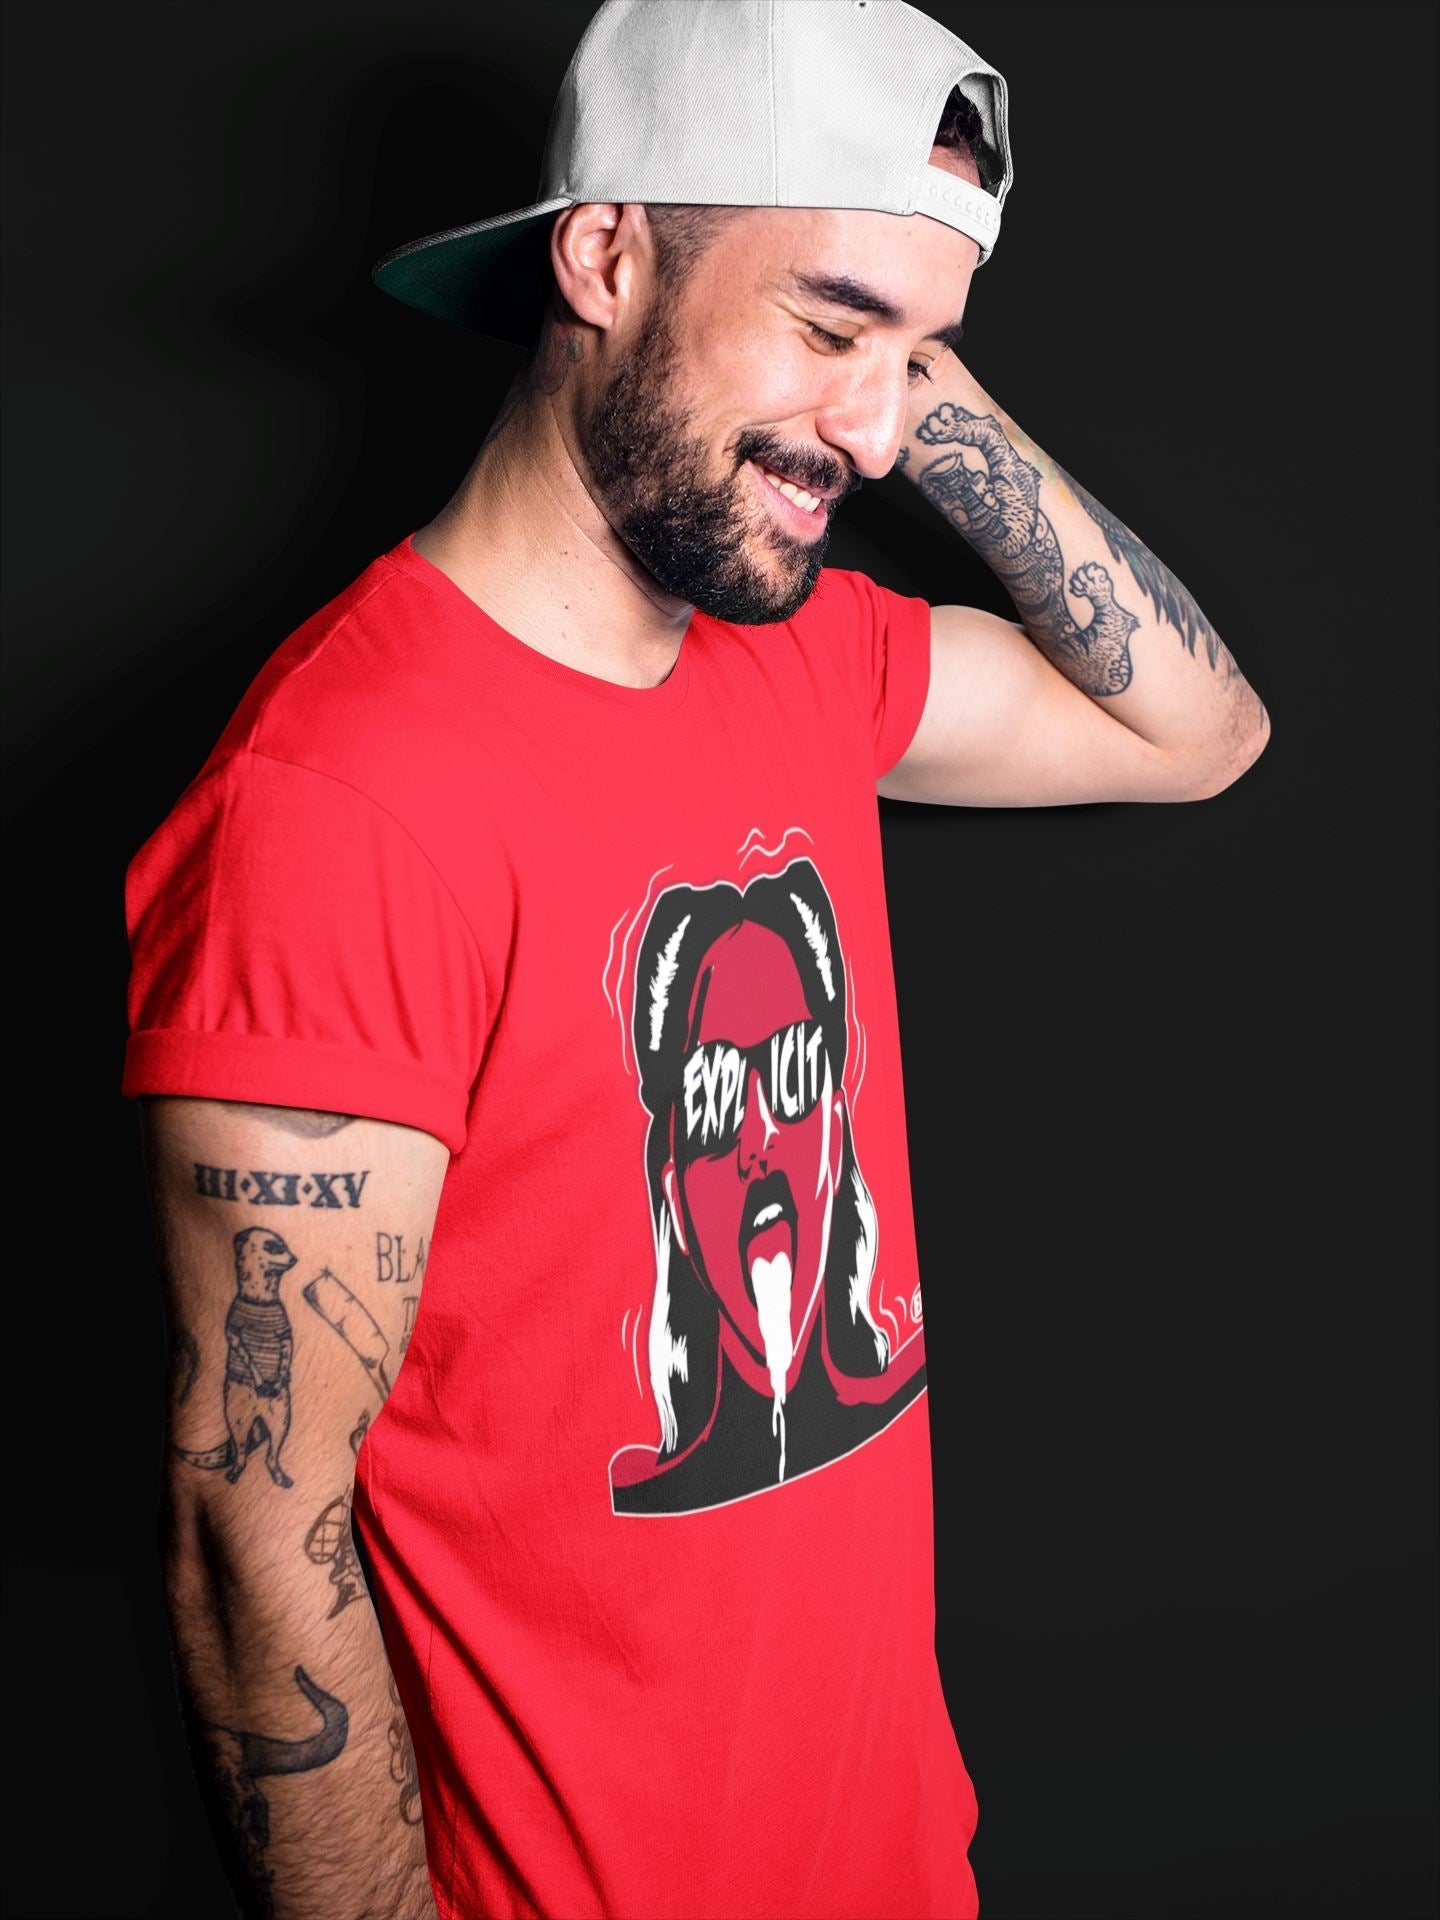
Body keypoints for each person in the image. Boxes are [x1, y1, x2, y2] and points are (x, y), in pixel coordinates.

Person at [122, 2, 1270, 1915]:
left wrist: (894, 360)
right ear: (604, 256)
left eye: (923, 355)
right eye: (827, 325)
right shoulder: (338, 804)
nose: (880, 434)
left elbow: (1202, 734)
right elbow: (257, 1547)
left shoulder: (801, 655)